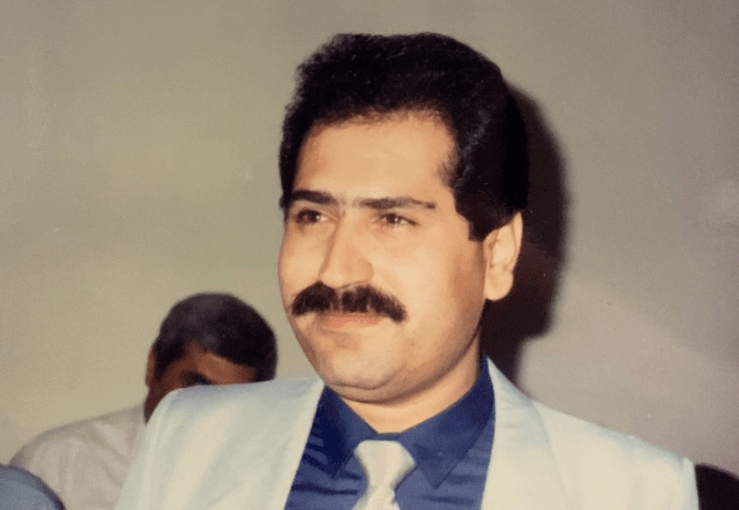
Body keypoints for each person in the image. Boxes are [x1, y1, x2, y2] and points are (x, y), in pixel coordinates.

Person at [115, 33, 699, 510]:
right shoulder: (186, 440)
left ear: (496, 255)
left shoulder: (635, 493)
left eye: (392, 219)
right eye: (313, 215)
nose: (337, 269)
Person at [11, 292, 278, 510]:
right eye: (197, 387)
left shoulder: (268, 484)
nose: (210, 412)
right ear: (153, 367)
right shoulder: (58, 461)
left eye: (233, 401)